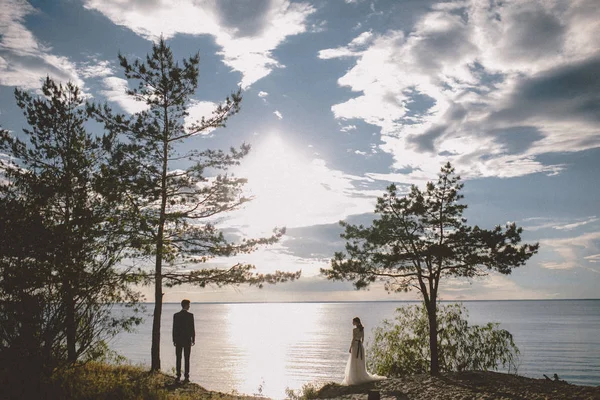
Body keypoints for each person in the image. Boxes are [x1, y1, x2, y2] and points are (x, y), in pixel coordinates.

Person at [341, 317, 385, 386]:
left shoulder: (354, 330)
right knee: (359, 361)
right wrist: (360, 345)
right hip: (360, 346)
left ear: (356, 322)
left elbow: (353, 339)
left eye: (353, 322)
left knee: (354, 361)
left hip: (355, 346)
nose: (352, 323)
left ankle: (355, 377)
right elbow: (363, 339)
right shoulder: (362, 329)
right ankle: (360, 375)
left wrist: (350, 347)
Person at [173, 299, 195, 383]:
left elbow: (174, 329)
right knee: (187, 358)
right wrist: (193, 338)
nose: (189, 306)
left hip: (178, 339)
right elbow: (192, 328)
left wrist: (174, 339)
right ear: (186, 305)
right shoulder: (190, 316)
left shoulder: (176, 315)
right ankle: (186, 376)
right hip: (187, 340)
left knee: (178, 358)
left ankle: (178, 375)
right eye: (189, 305)